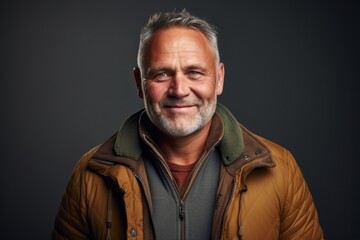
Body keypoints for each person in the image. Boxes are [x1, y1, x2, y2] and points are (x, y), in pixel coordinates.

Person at [52, 9, 324, 240]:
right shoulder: (91, 174)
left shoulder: (280, 169)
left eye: (194, 72)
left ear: (218, 79)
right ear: (139, 83)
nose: (179, 90)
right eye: (161, 74)